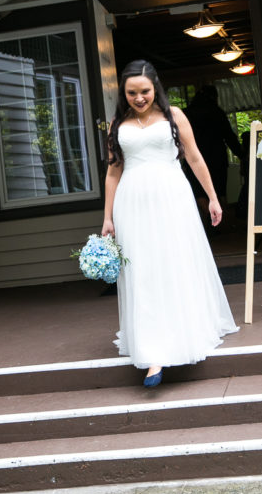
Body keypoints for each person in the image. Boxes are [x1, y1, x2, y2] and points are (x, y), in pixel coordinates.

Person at [101, 60, 238, 387]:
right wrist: (107, 217)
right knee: (143, 271)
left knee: (174, 264)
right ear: (124, 92)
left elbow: (194, 157)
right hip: (132, 202)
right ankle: (153, 355)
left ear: (155, 88)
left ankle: (184, 330)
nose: (139, 98)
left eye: (144, 91)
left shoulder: (175, 116)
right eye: (132, 92)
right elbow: (112, 172)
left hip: (173, 198)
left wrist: (213, 197)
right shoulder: (117, 123)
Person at [184, 85, 243, 206]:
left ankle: (207, 222)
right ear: (214, 97)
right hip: (217, 160)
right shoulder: (217, 112)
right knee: (219, 193)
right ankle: (222, 222)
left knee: (199, 193)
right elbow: (229, 137)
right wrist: (243, 155)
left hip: (193, 158)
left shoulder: (186, 113)